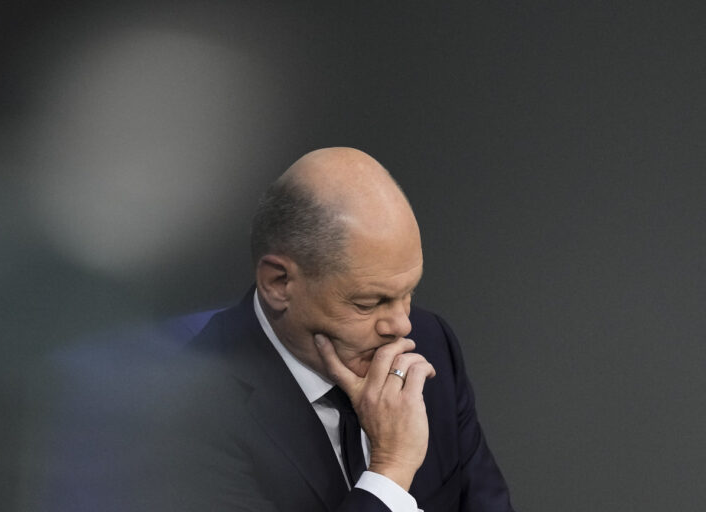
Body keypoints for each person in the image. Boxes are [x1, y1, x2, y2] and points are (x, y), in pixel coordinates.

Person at [188, 147, 515, 511]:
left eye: (408, 293)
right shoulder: (188, 414)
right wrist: (391, 470)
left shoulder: (431, 345)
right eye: (368, 303)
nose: (402, 325)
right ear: (278, 283)